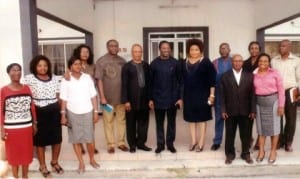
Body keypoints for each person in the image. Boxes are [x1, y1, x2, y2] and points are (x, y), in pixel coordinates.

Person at [24, 55, 63, 177]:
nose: (43, 68)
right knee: (40, 140)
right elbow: (25, 95)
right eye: (40, 65)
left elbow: (59, 96)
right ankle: (42, 165)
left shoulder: (54, 78)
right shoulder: (29, 78)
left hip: (53, 111)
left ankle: (54, 161)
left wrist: (61, 111)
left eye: (45, 65)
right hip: (38, 111)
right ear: (35, 66)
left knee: (57, 139)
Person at [60, 57, 100, 174]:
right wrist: (63, 115)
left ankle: (92, 160)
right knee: (76, 140)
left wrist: (96, 112)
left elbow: (93, 96)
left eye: (79, 64)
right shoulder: (66, 79)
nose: (78, 66)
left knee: (90, 139)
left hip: (88, 111)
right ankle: (81, 163)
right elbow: (64, 99)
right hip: (72, 112)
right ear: (70, 66)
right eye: (75, 64)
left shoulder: (87, 78)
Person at [0, 63, 37, 178]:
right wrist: (1, 128)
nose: (16, 72)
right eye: (13, 70)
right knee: (13, 155)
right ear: (9, 73)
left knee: (26, 153)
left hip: (26, 128)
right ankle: (16, 177)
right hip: (11, 130)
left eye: (19, 70)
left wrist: (34, 123)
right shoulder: (4, 90)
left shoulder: (26, 88)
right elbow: (1, 110)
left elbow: (32, 107)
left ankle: (25, 176)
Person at [220, 54, 255, 165]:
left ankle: (245, 154)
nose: (237, 63)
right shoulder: (225, 76)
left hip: (246, 111)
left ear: (242, 62)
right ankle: (230, 154)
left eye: (240, 61)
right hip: (230, 110)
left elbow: (253, 95)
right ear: (232, 62)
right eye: (235, 61)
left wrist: (253, 110)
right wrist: (223, 110)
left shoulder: (250, 76)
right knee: (230, 134)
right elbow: (222, 95)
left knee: (246, 134)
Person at [181, 39, 216, 152]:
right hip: (189, 96)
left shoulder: (205, 62)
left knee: (201, 120)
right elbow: (181, 81)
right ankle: (193, 141)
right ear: (188, 50)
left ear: (200, 51)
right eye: (191, 49)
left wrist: (212, 95)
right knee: (191, 120)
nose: (194, 51)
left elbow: (212, 81)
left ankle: (201, 143)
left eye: (196, 49)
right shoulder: (184, 63)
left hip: (203, 95)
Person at [95, 39, 128, 153]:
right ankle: (110, 144)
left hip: (121, 98)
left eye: (116, 46)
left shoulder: (122, 61)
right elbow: (99, 80)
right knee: (108, 121)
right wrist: (102, 97)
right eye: (111, 46)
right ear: (107, 47)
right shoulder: (101, 61)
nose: (114, 48)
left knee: (121, 120)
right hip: (107, 99)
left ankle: (121, 143)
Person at [149, 40, 182, 154]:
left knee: (171, 123)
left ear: (170, 49)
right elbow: (150, 83)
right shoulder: (154, 64)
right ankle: (160, 144)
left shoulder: (176, 63)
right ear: (160, 49)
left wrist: (180, 98)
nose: (166, 50)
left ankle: (170, 144)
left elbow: (180, 81)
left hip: (172, 99)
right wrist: (151, 99)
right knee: (159, 123)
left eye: (168, 48)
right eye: (163, 48)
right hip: (158, 98)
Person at [253, 53, 285, 164]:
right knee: (261, 129)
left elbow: (281, 90)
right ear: (258, 62)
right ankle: (261, 151)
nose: (263, 63)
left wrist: (281, 105)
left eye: (265, 61)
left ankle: (273, 151)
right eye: (261, 61)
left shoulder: (275, 73)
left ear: (269, 62)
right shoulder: (254, 74)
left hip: (274, 102)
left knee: (274, 128)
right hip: (259, 103)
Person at [121, 44, 152, 153]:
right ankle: (132, 144)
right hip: (131, 101)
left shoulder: (146, 66)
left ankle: (141, 143)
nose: (137, 54)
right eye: (135, 51)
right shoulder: (127, 67)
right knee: (131, 123)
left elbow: (149, 83)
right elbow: (124, 85)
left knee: (143, 123)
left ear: (142, 52)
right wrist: (126, 101)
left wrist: (151, 99)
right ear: (132, 52)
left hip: (144, 100)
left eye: (139, 51)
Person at [271, 39, 300, 152]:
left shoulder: (297, 60)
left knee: (291, 118)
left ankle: (288, 142)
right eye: (280, 46)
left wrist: (298, 92)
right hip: (276, 92)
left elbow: (299, 78)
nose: (281, 48)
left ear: (289, 48)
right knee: (278, 117)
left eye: (283, 46)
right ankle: (279, 141)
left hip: (290, 90)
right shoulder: (274, 61)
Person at [72, 44, 99, 155]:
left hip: (90, 98)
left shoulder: (93, 66)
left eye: (87, 52)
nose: (85, 54)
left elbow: (96, 81)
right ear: (78, 52)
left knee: (90, 124)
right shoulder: (73, 65)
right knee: (78, 124)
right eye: (83, 52)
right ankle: (81, 146)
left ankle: (92, 145)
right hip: (77, 99)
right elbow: (67, 76)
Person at [211, 43, 232, 151]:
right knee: (219, 119)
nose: (223, 50)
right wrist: (211, 95)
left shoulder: (234, 62)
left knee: (231, 120)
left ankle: (229, 142)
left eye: (225, 48)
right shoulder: (215, 62)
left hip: (231, 95)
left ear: (229, 49)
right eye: (221, 48)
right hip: (219, 94)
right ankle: (217, 141)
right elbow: (211, 80)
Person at [243, 41, 262, 150]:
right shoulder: (245, 63)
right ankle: (249, 138)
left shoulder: (263, 61)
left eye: (256, 48)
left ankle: (260, 140)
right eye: (252, 48)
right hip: (248, 93)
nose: (254, 50)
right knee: (248, 118)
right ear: (249, 50)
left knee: (260, 118)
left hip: (260, 92)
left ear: (259, 49)